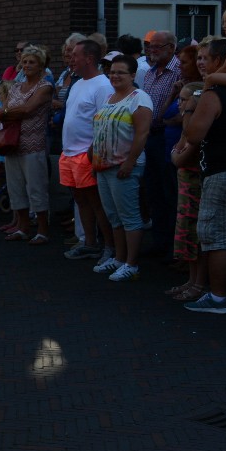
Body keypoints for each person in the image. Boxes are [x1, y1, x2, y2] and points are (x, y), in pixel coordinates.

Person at [182, 58, 226, 314]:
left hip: (223, 171)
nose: (203, 64)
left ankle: (218, 298)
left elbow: (194, 134)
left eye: (208, 58)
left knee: (218, 236)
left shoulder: (215, 94)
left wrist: (190, 110)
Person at [89, 55, 152, 281]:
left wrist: (130, 161)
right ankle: (118, 258)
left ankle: (131, 264)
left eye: (120, 72)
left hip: (124, 167)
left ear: (133, 75)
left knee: (130, 216)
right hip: (104, 166)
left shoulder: (139, 98)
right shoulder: (110, 97)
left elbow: (142, 133)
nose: (114, 76)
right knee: (114, 216)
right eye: (112, 72)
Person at [59, 39, 115, 265]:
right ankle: (89, 243)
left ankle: (109, 247)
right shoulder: (78, 83)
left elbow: (105, 122)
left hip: (86, 153)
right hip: (69, 152)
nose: (71, 58)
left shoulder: (103, 86)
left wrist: (93, 152)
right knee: (81, 200)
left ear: (89, 59)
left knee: (96, 202)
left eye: (74, 55)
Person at [0, 45, 53, 244]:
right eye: (25, 62)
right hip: (12, 144)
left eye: (32, 62)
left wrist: (9, 112)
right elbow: (0, 111)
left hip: (33, 144)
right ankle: (22, 227)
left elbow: (28, 110)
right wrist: (11, 112)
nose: (27, 65)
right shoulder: (14, 88)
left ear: (41, 66)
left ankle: (43, 230)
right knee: (16, 187)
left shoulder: (45, 87)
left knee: (37, 188)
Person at [140, 30, 181, 260]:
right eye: (149, 46)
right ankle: (160, 241)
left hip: (168, 135)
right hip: (150, 136)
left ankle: (174, 247)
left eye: (157, 46)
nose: (151, 51)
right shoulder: (149, 73)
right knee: (153, 190)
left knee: (169, 191)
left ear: (171, 48)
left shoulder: (180, 70)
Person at [167, 85, 207, 301]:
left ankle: (198, 283)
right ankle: (191, 280)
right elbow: (178, 148)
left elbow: (180, 156)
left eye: (184, 100)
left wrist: (176, 152)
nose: (179, 104)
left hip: (196, 189)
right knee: (187, 236)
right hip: (186, 189)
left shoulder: (196, 128)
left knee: (196, 237)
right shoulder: (186, 127)